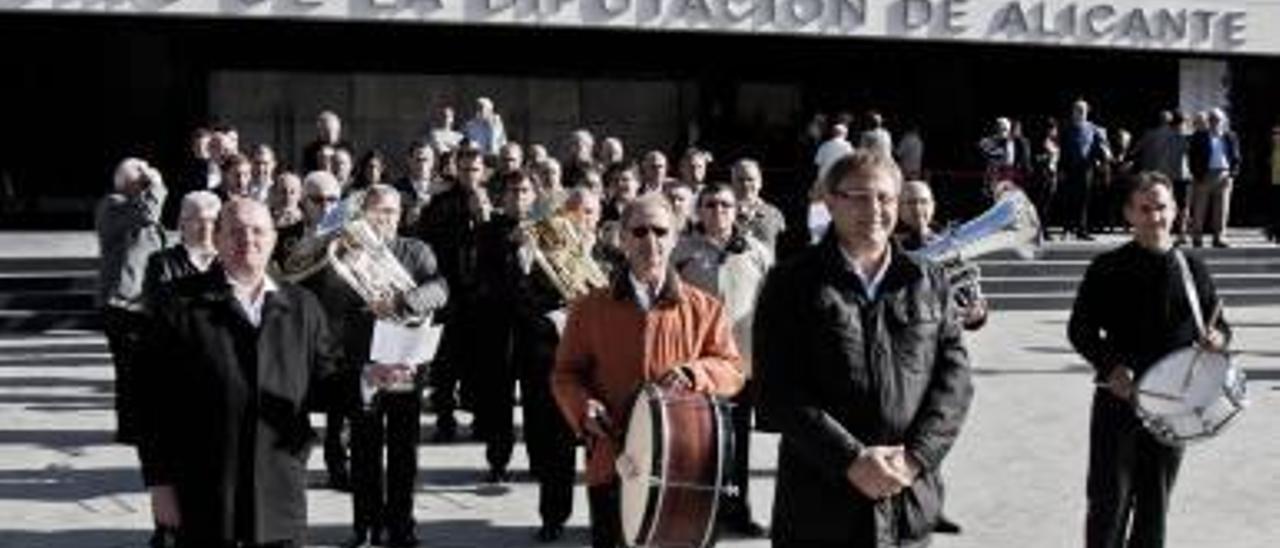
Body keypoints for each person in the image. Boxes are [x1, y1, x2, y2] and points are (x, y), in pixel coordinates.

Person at [754, 150, 974, 547]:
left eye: (886, 198)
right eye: (858, 196)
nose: (874, 209)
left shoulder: (928, 280)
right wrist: (851, 460)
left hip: (907, 500)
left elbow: (955, 382)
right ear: (830, 200)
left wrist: (914, 459)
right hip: (819, 508)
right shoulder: (789, 283)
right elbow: (776, 391)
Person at [137, 199, 341, 547]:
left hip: (279, 491)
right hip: (206, 490)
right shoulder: (178, 305)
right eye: (235, 231)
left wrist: (370, 380)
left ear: (274, 239)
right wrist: (160, 485)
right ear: (216, 239)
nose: (248, 239)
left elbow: (326, 385)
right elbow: (148, 403)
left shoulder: (302, 306)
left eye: (258, 230)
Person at [553, 192, 744, 548]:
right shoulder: (589, 307)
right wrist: (583, 408)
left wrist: (695, 373)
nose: (650, 241)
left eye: (660, 231)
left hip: (684, 465)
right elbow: (565, 374)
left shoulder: (705, 308)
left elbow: (732, 369)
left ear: (675, 237)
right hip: (613, 459)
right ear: (622, 238)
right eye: (639, 232)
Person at [1068, 171, 1230, 548]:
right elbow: (1080, 330)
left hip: (1176, 406)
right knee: (1109, 504)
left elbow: (1219, 322)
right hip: (1120, 401)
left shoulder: (1192, 268)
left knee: (1155, 506)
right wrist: (1110, 367)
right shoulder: (1106, 268)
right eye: (1145, 209)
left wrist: (1217, 337)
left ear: (1176, 211)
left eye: (1161, 207)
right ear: (1129, 214)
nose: (1154, 217)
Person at [340, 185, 449, 548]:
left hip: (404, 361)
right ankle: (364, 526)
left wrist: (405, 301)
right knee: (363, 448)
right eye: (376, 210)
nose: (383, 218)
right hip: (366, 364)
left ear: (400, 215)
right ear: (363, 213)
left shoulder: (416, 250)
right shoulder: (348, 251)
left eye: (390, 211)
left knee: (404, 451)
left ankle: (402, 526)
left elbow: (440, 288)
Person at [474, 171, 580, 543]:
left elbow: (563, 283)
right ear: (501, 197)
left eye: (525, 191)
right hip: (501, 333)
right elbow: (482, 280)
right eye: (513, 191)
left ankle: (543, 476)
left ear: (535, 196)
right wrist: (510, 247)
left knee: (544, 413)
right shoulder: (489, 232)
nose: (519, 197)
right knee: (499, 400)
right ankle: (498, 459)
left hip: (541, 338)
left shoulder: (552, 231)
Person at [671, 183, 773, 538]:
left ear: (736, 210)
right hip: (696, 367)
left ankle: (736, 510)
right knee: (698, 444)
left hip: (740, 367)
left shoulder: (757, 252)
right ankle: (697, 513)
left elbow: (770, 308)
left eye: (725, 205)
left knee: (737, 444)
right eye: (710, 205)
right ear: (699, 211)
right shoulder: (681, 253)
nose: (718, 211)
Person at [411, 146, 493, 442]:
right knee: (445, 361)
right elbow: (426, 243)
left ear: (483, 172)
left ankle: (481, 419)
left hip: (482, 297)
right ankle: (445, 419)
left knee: (481, 361)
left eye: (475, 169)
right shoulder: (441, 203)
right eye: (464, 169)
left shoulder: (492, 202)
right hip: (449, 292)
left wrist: (483, 220)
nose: (470, 175)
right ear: (456, 170)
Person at [96, 157, 169, 446]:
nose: (148, 187)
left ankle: (138, 423)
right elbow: (148, 213)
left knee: (140, 368)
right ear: (130, 182)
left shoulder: (134, 206)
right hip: (121, 302)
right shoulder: (112, 205)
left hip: (141, 300)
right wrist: (159, 185)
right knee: (128, 369)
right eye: (143, 182)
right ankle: (129, 428)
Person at [143, 191, 221, 303]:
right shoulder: (162, 263)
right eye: (199, 220)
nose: (206, 228)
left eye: (212, 221)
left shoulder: (228, 261)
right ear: (182, 223)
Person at [1187, 108, 1242, 248]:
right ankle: (1197, 238)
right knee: (1200, 209)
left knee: (1222, 209)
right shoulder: (1199, 136)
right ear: (1208, 121)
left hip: (1224, 174)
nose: (1214, 122)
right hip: (1205, 175)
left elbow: (1236, 156)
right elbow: (1192, 157)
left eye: (1217, 119)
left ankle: (1219, 238)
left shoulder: (1230, 136)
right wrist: (1196, 174)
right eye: (1212, 119)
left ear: (1223, 121)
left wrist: (1232, 174)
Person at [1059, 100, 1111, 241]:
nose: (1080, 111)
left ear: (1088, 111)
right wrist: (1061, 169)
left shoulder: (1094, 128)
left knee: (1084, 200)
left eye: (1082, 109)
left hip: (1086, 169)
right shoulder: (1066, 128)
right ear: (1073, 111)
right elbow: (1061, 150)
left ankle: (1082, 230)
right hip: (1069, 168)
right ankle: (1067, 229)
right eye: (1077, 109)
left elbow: (1101, 147)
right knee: (1068, 199)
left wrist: (1104, 157)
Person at [731, 158, 786, 250]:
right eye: (740, 180)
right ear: (732, 182)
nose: (745, 184)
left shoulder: (774, 214)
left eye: (750, 179)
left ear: (760, 182)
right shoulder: (721, 213)